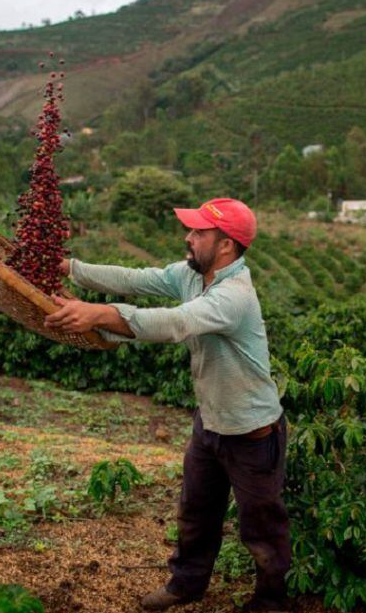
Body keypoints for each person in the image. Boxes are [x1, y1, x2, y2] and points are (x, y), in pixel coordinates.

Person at [44, 198, 290, 612]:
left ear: (226, 246)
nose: (188, 237)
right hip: (210, 423)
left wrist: (101, 314)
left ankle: (270, 601)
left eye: (198, 232)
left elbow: (175, 323)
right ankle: (187, 584)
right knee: (195, 512)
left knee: (262, 528)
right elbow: (138, 279)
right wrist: (72, 270)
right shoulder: (192, 276)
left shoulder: (234, 296)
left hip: (252, 434)